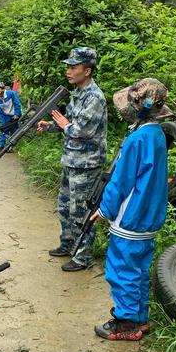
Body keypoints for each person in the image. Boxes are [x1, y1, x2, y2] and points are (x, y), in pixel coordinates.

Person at [93, 79, 170, 341]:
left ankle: (126, 323)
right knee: (138, 269)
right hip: (149, 216)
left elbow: (121, 181)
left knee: (121, 269)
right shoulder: (157, 134)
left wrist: (104, 210)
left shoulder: (137, 139)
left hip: (131, 217)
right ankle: (139, 317)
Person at [37, 47, 107, 272]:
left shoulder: (94, 97)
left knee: (81, 211)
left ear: (87, 71)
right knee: (65, 206)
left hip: (86, 164)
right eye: (68, 66)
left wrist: (63, 124)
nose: (69, 71)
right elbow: (66, 124)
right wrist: (49, 126)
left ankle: (83, 256)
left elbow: (81, 130)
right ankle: (68, 244)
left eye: (74, 67)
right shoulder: (78, 94)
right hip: (71, 161)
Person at [0, 81, 22, 152]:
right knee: (4, 129)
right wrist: (2, 122)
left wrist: (17, 114)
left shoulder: (10, 93)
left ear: (2, 89)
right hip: (6, 116)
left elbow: (17, 104)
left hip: (15, 115)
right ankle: (1, 146)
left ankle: (11, 147)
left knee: (15, 131)